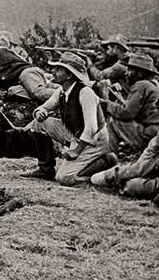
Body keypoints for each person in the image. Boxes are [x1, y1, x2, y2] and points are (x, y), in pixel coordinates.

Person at [28, 52, 116, 185]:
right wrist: (40, 112)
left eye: (58, 69)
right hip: (75, 134)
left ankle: (105, 161)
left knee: (64, 178)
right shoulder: (62, 91)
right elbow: (45, 107)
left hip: (94, 141)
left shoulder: (85, 93)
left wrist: (76, 151)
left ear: (69, 75)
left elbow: (91, 128)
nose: (53, 72)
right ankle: (45, 169)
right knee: (40, 122)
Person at [90, 93, 159, 200]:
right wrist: (137, 169)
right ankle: (105, 177)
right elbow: (152, 148)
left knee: (133, 186)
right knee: (131, 173)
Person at [104, 53, 159, 157]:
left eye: (130, 70)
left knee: (113, 119)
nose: (126, 73)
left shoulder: (141, 85)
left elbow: (126, 113)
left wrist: (107, 105)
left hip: (150, 134)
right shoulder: (158, 85)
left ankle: (109, 155)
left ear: (140, 73)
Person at [0, 34, 57, 102]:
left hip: (27, 74)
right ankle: (61, 91)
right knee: (14, 92)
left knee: (38, 93)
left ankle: (63, 97)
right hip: (28, 75)